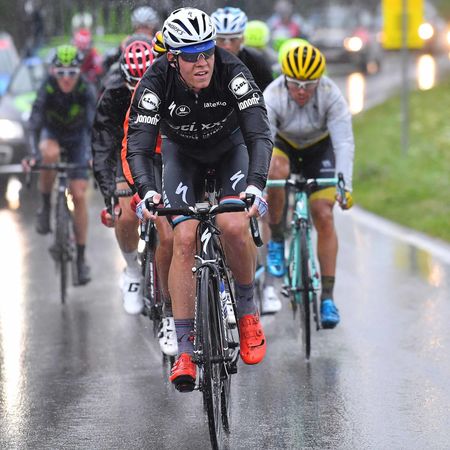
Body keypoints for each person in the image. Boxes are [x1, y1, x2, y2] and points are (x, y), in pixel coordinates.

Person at [124, 7, 273, 390]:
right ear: (173, 59)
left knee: (233, 225)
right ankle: (186, 350)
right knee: (184, 237)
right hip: (182, 156)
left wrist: (255, 184)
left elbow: (258, 132)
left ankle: (247, 313)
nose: (203, 62)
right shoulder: (155, 81)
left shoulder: (233, 70)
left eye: (207, 52)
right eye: (192, 56)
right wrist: (147, 190)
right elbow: (139, 146)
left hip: (229, 151)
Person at [92, 38, 177, 356]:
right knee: (125, 212)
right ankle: (131, 269)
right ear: (123, 77)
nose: (139, 89)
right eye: (133, 84)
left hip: (160, 149)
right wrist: (109, 196)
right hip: (124, 150)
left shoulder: (167, 83)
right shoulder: (113, 92)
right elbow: (103, 144)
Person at [263, 43, 354, 328]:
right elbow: (262, 142)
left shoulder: (331, 94)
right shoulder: (272, 95)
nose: (301, 91)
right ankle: (277, 238)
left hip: (319, 149)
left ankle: (327, 298)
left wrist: (345, 186)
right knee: (275, 172)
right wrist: (260, 184)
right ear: (285, 79)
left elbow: (343, 143)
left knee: (324, 215)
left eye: (309, 85)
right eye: (295, 84)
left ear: (319, 81)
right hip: (284, 145)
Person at [24, 45, 96, 285]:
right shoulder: (47, 86)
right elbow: (34, 123)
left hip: (77, 138)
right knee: (49, 154)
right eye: (61, 72)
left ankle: (81, 260)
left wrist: (91, 155)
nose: (66, 78)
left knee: (79, 194)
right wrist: (33, 154)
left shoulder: (86, 88)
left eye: (71, 72)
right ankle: (46, 207)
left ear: (79, 72)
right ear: (53, 71)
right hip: (52, 133)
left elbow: (93, 127)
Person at [211, 7, 273, 92]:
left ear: (242, 39)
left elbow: (268, 92)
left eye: (233, 39)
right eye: (221, 39)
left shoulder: (256, 61)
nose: (227, 46)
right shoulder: (204, 62)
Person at [103, 6, 160, 73]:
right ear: (134, 28)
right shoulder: (127, 42)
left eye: (146, 27)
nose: (142, 31)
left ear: (153, 28)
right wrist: (120, 49)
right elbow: (107, 61)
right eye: (139, 27)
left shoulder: (159, 43)